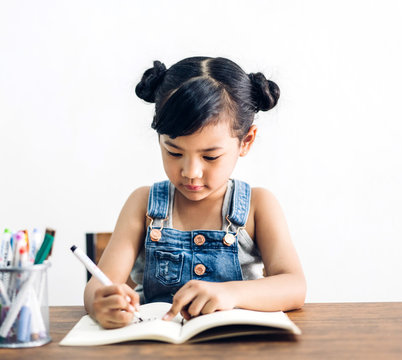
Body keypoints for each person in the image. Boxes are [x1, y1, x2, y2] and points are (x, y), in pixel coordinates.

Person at [83, 56, 306, 329]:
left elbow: (294, 286)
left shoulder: (259, 206)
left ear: (246, 141)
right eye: (173, 152)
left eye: (210, 157)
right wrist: (101, 302)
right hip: (155, 343)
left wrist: (230, 293)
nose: (190, 172)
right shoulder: (143, 204)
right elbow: (98, 286)